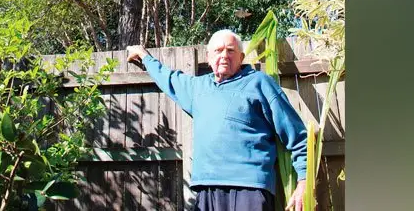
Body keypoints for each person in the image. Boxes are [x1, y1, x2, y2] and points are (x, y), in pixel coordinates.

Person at [127, 29, 309, 211]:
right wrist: (144, 57)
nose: (224, 56)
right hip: (207, 188)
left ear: (241, 57)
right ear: (208, 57)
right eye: (218, 50)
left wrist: (304, 181)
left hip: (250, 188)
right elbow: (168, 78)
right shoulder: (197, 88)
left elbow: (297, 135)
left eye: (231, 50)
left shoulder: (259, 83)